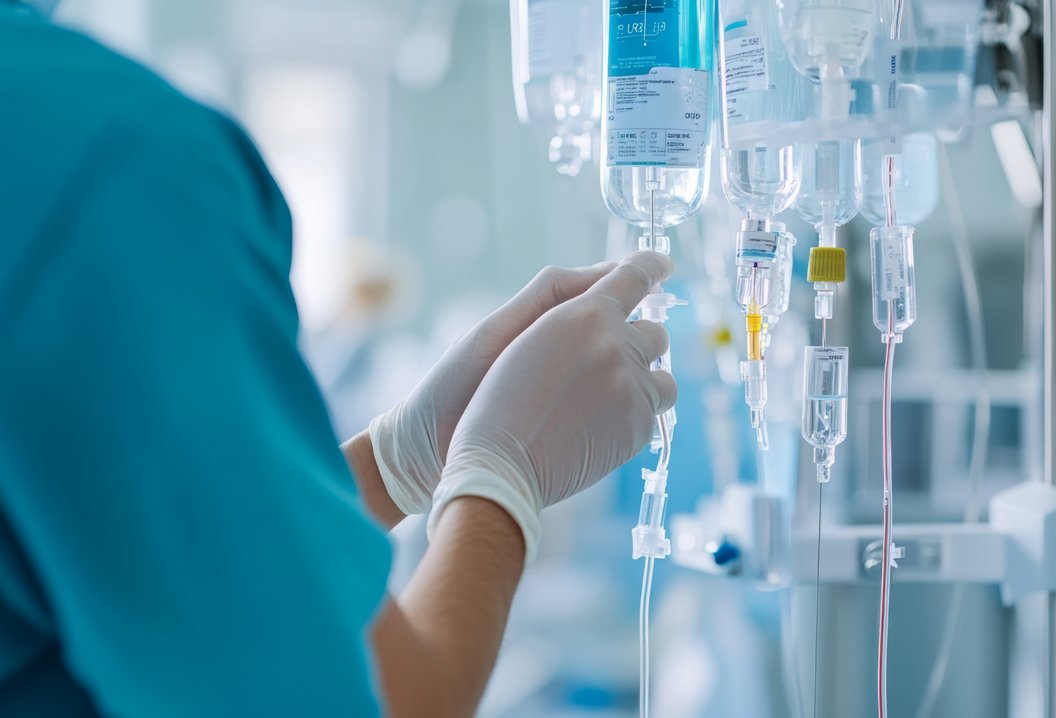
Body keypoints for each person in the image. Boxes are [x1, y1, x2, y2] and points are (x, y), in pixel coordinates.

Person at [0, 2, 676, 715]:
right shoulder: (116, 170)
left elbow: (148, 554)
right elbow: (378, 703)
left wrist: (393, 466)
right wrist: (503, 480)